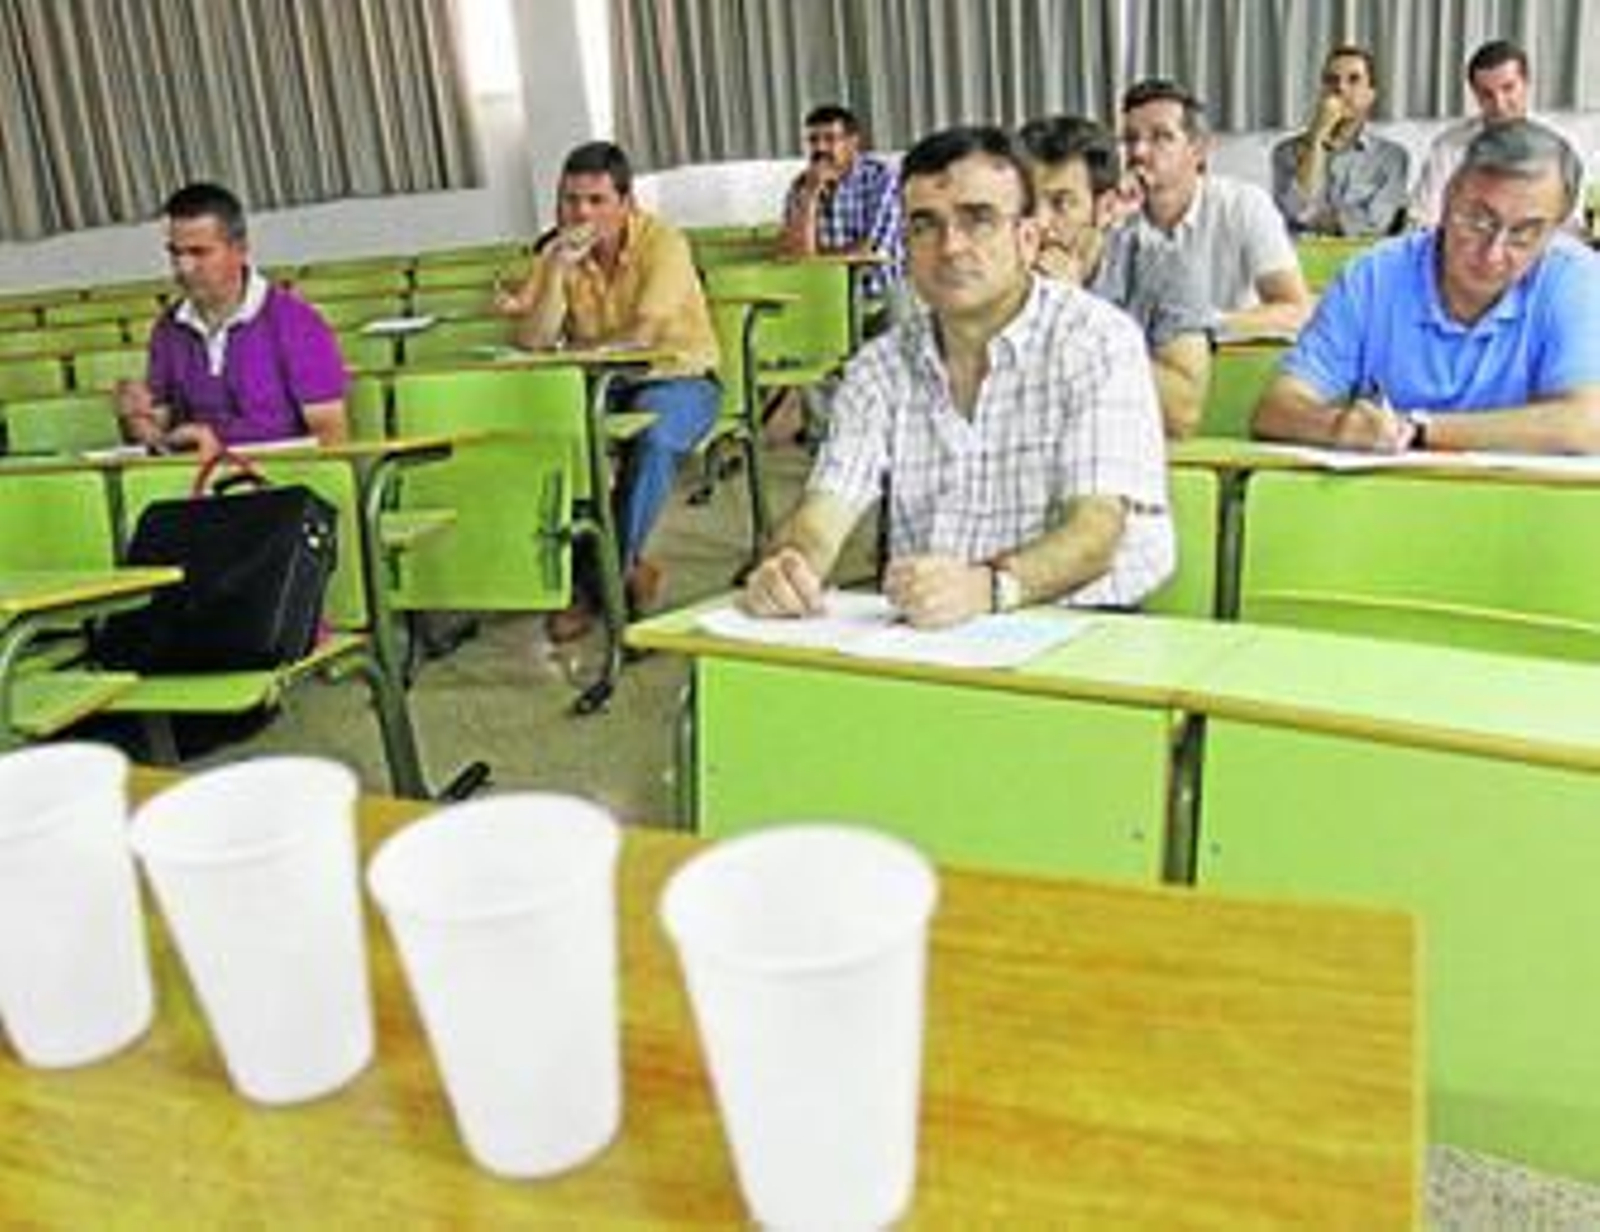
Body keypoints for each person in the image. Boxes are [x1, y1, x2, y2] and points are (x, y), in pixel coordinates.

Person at [741, 125, 1173, 627]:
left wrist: (990, 586)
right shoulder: (879, 367)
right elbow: (823, 514)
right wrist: (791, 565)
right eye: (926, 225)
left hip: (1086, 624)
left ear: (1027, 238)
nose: (950, 247)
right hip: (935, 627)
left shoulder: (1097, 340)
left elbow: (1095, 533)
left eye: (979, 220)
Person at [1252, 121, 1600, 455]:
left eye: (1524, 233)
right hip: (1387, 507)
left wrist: (1420, 431)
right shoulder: (1374, 276)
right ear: (1448, 200)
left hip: (1525, 509)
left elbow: (1587, 424)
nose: (1493, 253)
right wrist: (1335, 426)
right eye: (1478, 220)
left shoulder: (1575, 278)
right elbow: (1276, 410)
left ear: (1556, 229)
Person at [497, 141, 720, 638]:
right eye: (571, 200)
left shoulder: (664, 244)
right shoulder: (558, 251)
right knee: (553, 438)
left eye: (596, 200)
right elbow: (534, 340)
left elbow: (642, 337)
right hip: (603, 386)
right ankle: (625, 571)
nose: (581, 212)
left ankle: (597, 585)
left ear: (627, 202)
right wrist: (556, 270)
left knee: (654, 435)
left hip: (679, 379)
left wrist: (575, 353)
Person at [115, 182, 348, 453]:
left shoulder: (297, 323)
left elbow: (332, 444)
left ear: (239, 250)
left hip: (282, 485)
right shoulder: (167, 330)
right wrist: (135, 421)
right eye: (175, 253)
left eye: (199, 252)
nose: (183, 267)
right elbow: (160, 442)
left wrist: (222, 457)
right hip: (196, 487)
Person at [1018, 113, 1212, 438]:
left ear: (1106, 208)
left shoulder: (1166, 266)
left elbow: (1183, 414)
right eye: (1026, 205)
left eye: (1061, 203)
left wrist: (1077, 313)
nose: (1039, 222)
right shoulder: (998, 268)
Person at [1119, 78, 1312, 338]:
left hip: (1229, 360)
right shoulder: (1113, 214)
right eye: (1131, 139)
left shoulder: (1243, 205)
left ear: (1198, 150)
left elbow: (1295, 310)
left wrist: (1201, 326)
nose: (1138, 152)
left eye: (1160, 136)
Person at [1410, 39, 1586, 229]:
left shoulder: (1560, 146)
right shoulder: (1447, 148)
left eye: (1508, 88)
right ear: (1474, 94)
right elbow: (1425, 220)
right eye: (1487, 94)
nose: (1499, 104)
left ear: (1526, 83)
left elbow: (1571, 225)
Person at [1271, 45, 1410, 237]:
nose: (1340, 88)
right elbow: (1294, 210)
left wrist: (1313, 219)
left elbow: (1376, 223)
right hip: (1303, 260)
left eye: (1354, 80)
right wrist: (1317, 136)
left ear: (1370, 95)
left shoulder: (1392, 157)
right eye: (1331, 80)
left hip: (1361, 260)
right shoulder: (1285, 152)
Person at [779, 103, 904, 302]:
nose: (820, 148)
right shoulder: (800, 187)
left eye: (830, 139)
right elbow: (793, 257)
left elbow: (871, 251)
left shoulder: (883, 179)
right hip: (825, 300)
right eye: (813, 140)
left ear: (853, 143)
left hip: (881, 296)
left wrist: (814, 255)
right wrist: (811, 194)